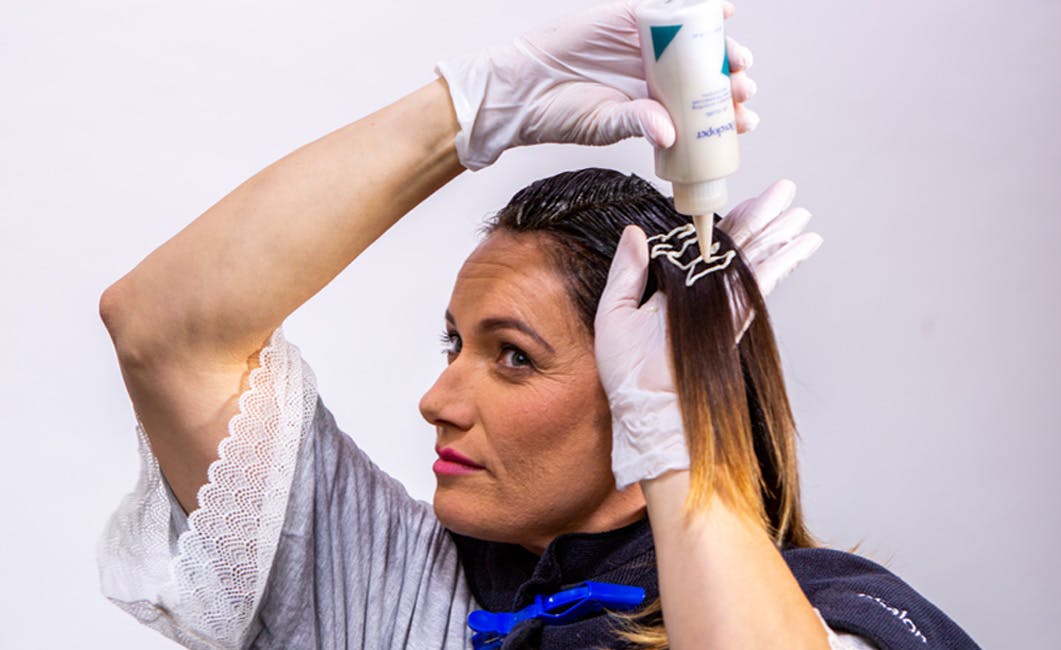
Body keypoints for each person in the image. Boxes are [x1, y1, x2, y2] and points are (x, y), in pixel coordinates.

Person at [96, 2, 979, 648]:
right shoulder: (404, 585)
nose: (438, 399)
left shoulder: (833, 613)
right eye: (455, 344)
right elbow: (162, 332)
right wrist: (476, 108)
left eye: (513, 356)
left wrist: (679, 441)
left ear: (638, 390)